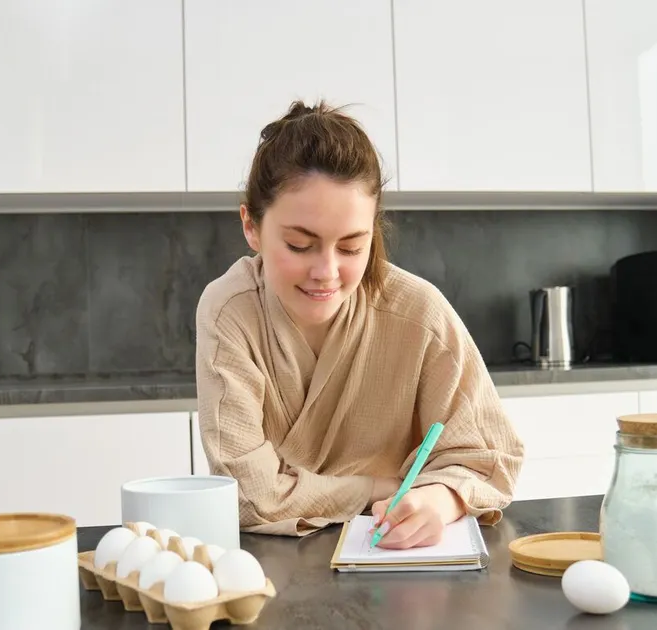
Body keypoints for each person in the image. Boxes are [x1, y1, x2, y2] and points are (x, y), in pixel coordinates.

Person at [194, 100, 524, 550]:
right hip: (271, 572)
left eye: (351, 247)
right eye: (299, 244)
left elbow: (490, 457)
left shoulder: (418, 312)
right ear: (251, 226)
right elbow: (247, 495)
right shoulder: (230, 310)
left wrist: (438, 500)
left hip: (399, 568)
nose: (326, 271)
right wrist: (375, 488)